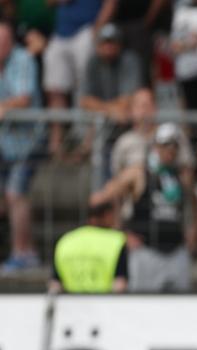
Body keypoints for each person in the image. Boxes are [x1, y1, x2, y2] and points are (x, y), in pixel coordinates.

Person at [93, 123, 192, 292]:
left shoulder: (179, 175)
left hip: (175, 249)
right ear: (155, 146)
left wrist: (192, 233)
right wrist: (121, 231)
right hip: (146, 249)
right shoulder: (139, 172)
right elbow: (104, 196)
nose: (170, 150)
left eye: (174, 145)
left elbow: (192, 204)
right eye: (165, 145)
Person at [43, 0, 117, 155]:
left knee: (85, 88)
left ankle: (86, 142)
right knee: (54, 88)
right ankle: (56, 145)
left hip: (87, 30)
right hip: (61, 33)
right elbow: (48, 3)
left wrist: (97, 30)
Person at [0, 19, 42, 274]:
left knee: (16, 194)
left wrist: (4, 107)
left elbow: (24, 98)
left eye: (3, 42)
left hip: (30, 142)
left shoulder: (23, 59)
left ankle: (22, 253)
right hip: (4, 144)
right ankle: (28, 248)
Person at [110, 88, 196, 176]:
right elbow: (117, 175)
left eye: (149, 105)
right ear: (131, 111)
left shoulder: (173, 133)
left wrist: (170, 161)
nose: (145, 110)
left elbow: (188, 169)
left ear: (156, 108)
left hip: (170, 184)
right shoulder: (124, 141)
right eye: (140, 106)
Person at [49, 196, 127, 293]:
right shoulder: (116, 240)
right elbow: (119, 285)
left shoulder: (65, 240)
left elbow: (55, 285)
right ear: (108, 215)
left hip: (72, 305)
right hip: (105, 305)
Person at [79, 23, 143, 122]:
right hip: (102, 119)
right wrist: (110, 111)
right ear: (98, 45)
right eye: (105, 43)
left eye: (112, 42)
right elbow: (84, 100)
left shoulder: (128, 60)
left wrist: (100, 107)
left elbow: (127, 100)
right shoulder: (93, 62)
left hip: (127, 122)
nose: (108, 47)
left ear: (120, 45)